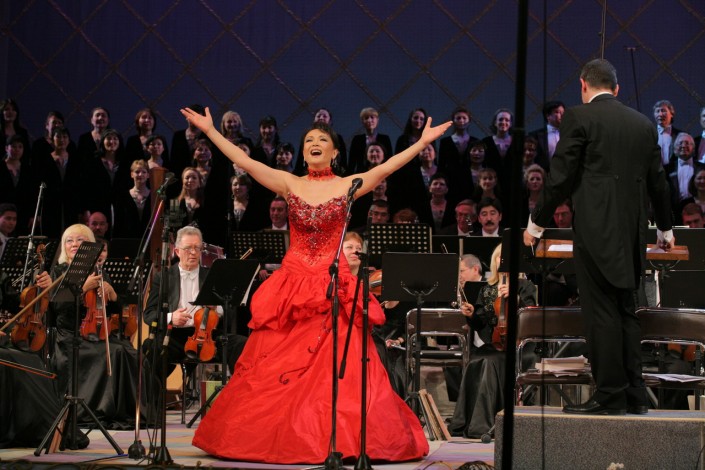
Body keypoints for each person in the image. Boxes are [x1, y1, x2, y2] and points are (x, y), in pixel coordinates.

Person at [180, 104, 450, 463]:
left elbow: (387, 167)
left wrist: (422, 142)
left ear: (334, 152)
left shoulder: (349, 184)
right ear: (304, 151)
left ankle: (335, 439)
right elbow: (245, 162)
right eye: (308, 140)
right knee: (275, 365)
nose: (314, 144)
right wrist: (211, 131)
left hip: (332, 282)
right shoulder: (290, 183)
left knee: (338, 368)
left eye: (322, 140)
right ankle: (280, 436)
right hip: (293, 283)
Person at [524, 58, 674, 416]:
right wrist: (665, 228)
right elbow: (658, 182)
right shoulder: (642, 124)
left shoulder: (579, 117)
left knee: (602, 312)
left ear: (583, 85)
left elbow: (560, 177)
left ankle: (609, 396)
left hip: (595, 230)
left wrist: (535, 225)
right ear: (616, 88)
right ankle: (634, 395)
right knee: (626, 311)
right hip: (633, 233)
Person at [35, 225, 141, 429]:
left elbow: (116, 310)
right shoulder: (58, 272)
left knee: (129, 352)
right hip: (70, 337)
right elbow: (58, 310)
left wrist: (112, 294)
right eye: (69, 240)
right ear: (64, 246)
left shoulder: (99, 271)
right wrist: (82, 288)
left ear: (90, 246)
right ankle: (99, 409)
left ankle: (124, 410)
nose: (74, 244)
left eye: (80, 240)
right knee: (116, 352)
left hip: (98, 334)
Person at [448, 243, 536, 438]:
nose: (502, 261)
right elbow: (481, 323)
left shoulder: (525, 287)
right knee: (476, 361)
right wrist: (472, 315)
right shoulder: (488, 290)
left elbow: (531, 317)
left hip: (519, 346)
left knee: (489, 362)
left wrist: (516, 300)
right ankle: (470, 421)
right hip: (495, 344)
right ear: (495, 262)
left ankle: (485, 424)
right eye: (498, 257)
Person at [143, 226, 246, 377]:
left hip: (209, 336)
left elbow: (230, 313)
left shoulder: (212, 275)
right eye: (188, 248)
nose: (193, 252)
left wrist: (217, 308)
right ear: (177, 251)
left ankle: (238, 390)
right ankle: (154, 393)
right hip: (174, 336)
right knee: (151, 348)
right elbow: (149, 314)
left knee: (241, 343)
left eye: (197, 248)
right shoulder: (163, 277)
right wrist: (171, 317)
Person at [347, 107, 393, 175]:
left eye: (372, 117)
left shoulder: (385, 139)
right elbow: (351, 163)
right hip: (362, 175)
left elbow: (390, 160)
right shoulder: (357, 140)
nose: (369, 120)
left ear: (377, 120)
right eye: (366, 118)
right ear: (362, 121)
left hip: (381, 174)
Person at [530, 100, 565, 171]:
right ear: (548, 116)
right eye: (557, 112)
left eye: (563, 113)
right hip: (543, 173)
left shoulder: (569, 134)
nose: (562, 115)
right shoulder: (535, 136)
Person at [653, 100, 683, 172]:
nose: (660, 114)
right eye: (657, 111)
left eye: (663, 111)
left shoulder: (680, 135)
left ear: (671, 114)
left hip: (674, 173)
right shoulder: (650, 134)